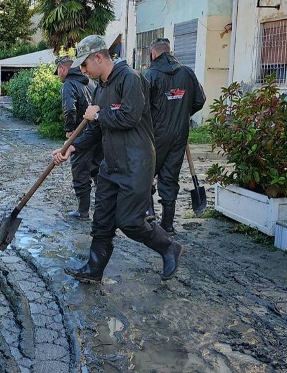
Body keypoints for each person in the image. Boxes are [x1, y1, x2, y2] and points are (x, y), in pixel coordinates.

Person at [52, 35, 183, 282]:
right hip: (110, 165)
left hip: (136, 163)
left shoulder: (130, 79)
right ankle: (93, 269)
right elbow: (95, 129)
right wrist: (73, 148)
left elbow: (129, 118)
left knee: (130, 221)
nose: (82, 70)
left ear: (98, 57)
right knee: (102, 220)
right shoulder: (101, 86)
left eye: (85, 65)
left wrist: (99, 115)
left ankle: (168, 247)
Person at [144, 38, 206, 235]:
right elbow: (200, 100)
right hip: (180, 134)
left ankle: (149, 213)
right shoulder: (187, 73)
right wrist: (182, 114)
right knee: (170, 177)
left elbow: (142, 107)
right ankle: (168, 225)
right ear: (170, 52)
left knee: (144, 173)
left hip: (155, 134)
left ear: (154, 54)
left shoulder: (151, 75)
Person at [54, 55, 103, 219]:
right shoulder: (90, 82)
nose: (59, 76)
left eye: (58, 72)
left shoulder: (68, 84)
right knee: (97, 170)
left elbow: (69, 109)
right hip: (97, 132)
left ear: (62, 69)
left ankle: (83, 211)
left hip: (81, 134)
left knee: (80, 172)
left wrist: (69, 131)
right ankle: (104, 209)